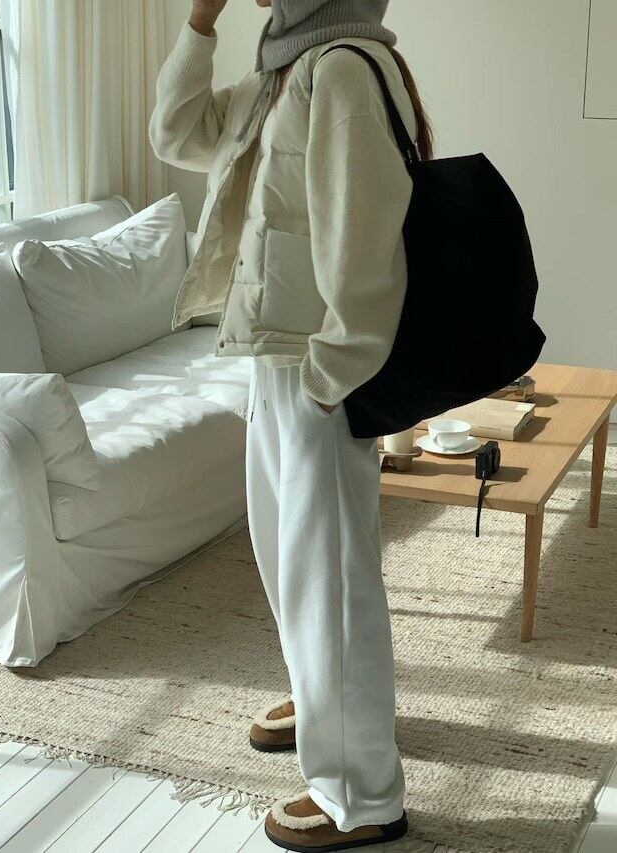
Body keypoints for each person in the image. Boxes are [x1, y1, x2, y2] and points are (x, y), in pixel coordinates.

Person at [150, 1, 433, 849]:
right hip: (272, 356)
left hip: (315, 370)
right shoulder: (283, 69)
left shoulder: (341, 69)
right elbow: (175, 134)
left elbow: (365, 241)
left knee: (333, 579)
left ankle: (362, 795)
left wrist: (328, 379)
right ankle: (325, 706)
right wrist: (199, 24)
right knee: (293, 566)